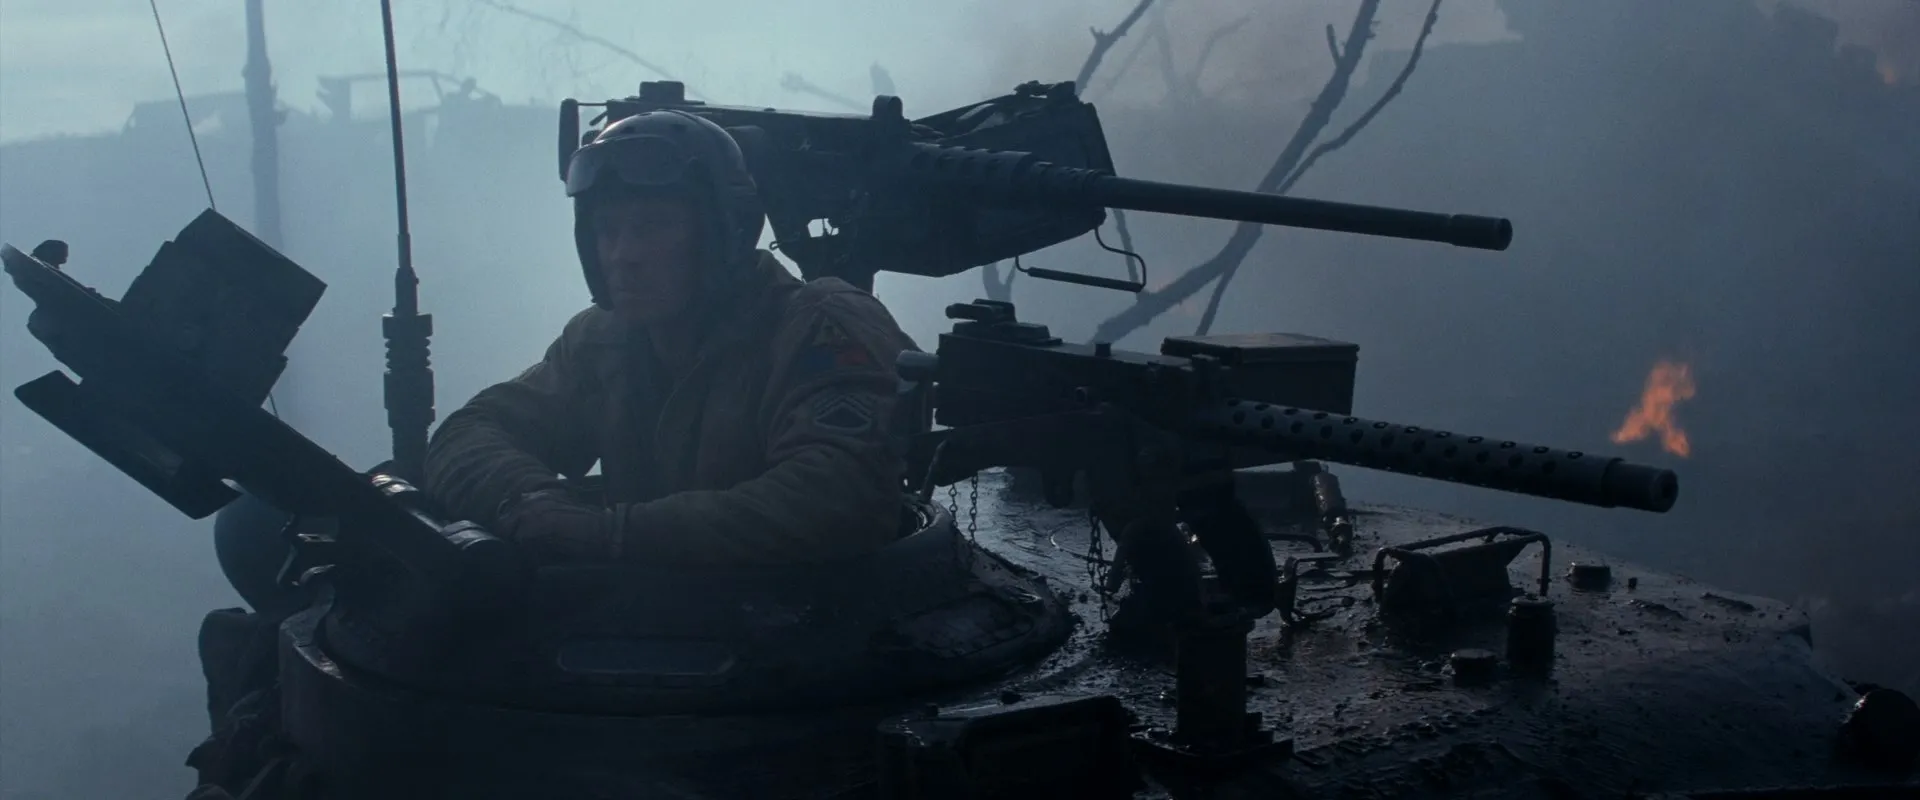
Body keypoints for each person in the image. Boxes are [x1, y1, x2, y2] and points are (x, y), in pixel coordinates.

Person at [422, 110, 918, 567]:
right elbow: (471, 433)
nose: (623, 255)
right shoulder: (603, 339)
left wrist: (615, 535)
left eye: (652, 227)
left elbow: (839, 497)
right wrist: (530, 501)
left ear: (724, 233)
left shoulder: (822, 327)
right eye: (607, 231)